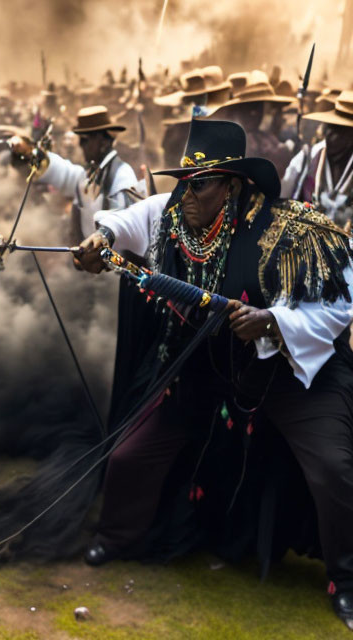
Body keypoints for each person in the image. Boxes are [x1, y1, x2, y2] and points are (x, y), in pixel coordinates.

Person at [74, 118, 353, 633]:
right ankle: (117, 537)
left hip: (284, 373)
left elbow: (340, 302)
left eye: (199, 183)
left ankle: (347, 580)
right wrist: (103, 236)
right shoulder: (176, 214)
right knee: (130, 456)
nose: (187, 193)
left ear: (233, 185)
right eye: (183, 181)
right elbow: (132, 216)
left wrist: (274, 319)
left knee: (335, 468)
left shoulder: (289, 230)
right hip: (205, 370)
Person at [11, 105, 143, 244]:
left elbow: (124, 229)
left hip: (110, 262)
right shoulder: (91, 174)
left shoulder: (121, 176)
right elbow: (66, 174)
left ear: (102, 140)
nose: (80, 144)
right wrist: (29, 153)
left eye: (85, 139)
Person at [282, 90, 353, 227]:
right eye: (329, 126)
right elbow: (283, 199)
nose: (330, 134)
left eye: (339, 129)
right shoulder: (307, 157)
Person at [208, 70, 295, 176]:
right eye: (248, 108)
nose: (253, 113)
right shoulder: (231, 140)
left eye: (258, 108)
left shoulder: (264, 138)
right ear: (237, 111)